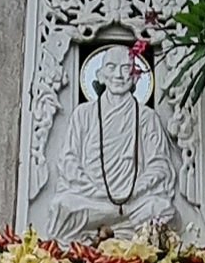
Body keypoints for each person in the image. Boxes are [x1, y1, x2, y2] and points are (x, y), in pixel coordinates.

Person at [48, 41, 181, 240]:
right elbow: (68, 161)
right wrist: (94, 190)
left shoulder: (146, 117)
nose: (118, 75)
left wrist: (136, 191)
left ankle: (107, 230)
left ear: (135, 76)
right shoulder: (83, 114)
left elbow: (159, 165)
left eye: (126, 68)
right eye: (112, 68)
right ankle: (122, 230)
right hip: (92, 198)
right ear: (101, 75)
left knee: (163, 210)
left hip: (133, 202)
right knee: (62, 207)